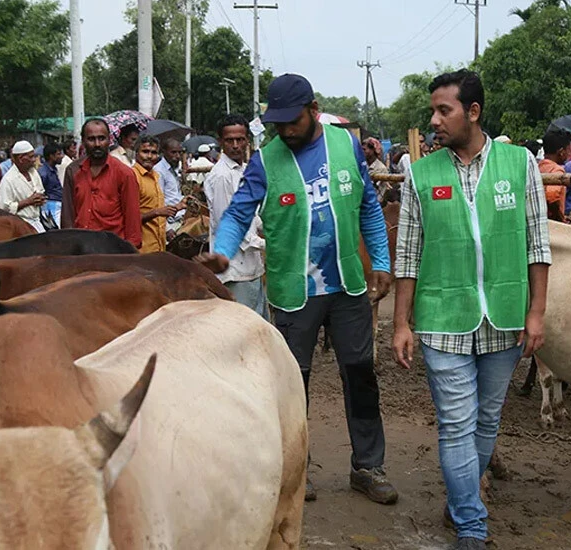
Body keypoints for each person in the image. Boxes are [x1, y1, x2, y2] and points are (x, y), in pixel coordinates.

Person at [196, 74, 396, 506]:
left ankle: (367, 466)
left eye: (292, 122)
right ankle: (294, 470)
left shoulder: (346, 146)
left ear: (313, 108)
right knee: (291, 383)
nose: (285, 131)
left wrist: (380, 261)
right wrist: (224, 251)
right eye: (277, 124)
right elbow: (236, 214)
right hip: (293, 291)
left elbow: (368, 210)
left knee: (360, 376)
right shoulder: (265, 161)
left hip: (347, 286)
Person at [392, 70, 550, 550]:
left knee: (486, 422)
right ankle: (471, 526)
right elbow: (408, 255)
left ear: (473, 112)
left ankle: (462, 496)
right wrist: (401, 322)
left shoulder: (519, 164)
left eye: (445, 110)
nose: (434, 120)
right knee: (457, 424)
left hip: (504, 316)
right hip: (443, 320)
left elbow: (537, 244)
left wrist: (536, 312)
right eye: (433, 111)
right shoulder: (420, 173)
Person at [203, 114, 267, 319]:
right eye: (230, 140)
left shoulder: (244, 171)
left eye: (240, 139)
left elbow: (252, 216)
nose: (236, 145)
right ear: (221, 142)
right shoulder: (222, 176)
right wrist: (268, 244)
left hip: (250, 267)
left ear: (247, 139)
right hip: (235, 270)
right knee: (245, 328)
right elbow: (229, 225)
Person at [61, 118, 142, 247]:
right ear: (83, 141)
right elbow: (67, 216)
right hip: (81, 249)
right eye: (91, 139)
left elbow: (132, 220)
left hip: (112, 251)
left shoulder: (124, 173)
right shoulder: (73, 170)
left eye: (101, 138)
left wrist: (129, 254)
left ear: (109, 140)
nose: (97, 144)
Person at [133, 135, 183, 253]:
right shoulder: (133, 177)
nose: (149, 156)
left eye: (154, 153)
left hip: (158, 245)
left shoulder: (155, 176)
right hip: (142, 249)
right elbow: (129, 219)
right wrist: (157, 212)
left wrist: (179, 206)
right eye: (145, 152)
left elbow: (159, 209)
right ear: (136, 153)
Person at [0, 140, 47, 232]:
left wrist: (40, 199)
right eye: (31, 157)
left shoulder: (34, 173)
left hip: (37, 222)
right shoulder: (8, 180)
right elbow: (3, 209)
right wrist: (28, 201)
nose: (34, 160)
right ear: (21, 158)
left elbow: (41, 192)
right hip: (19, 227)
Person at [153, 138, 187, 234]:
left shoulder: (174, 169)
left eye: (179, 153)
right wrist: (167, 228)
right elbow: (158, 202)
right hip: (170, 223)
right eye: (173, 152)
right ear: (163, 152)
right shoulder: (158, 171)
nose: (177, 156)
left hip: (181, 218)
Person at [538, 129, 571, 222]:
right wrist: (560, 218)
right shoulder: (557, 170)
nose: (569, 153)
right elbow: (552, 196)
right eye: (568, 150)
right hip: (553, 222)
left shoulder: (538, 167)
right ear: (561, 151)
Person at [38, 142, 64, 228]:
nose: (62, 156)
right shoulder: (43, 173)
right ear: (51, 156)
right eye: (58, 154)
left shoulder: (53, 169)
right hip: (51, 208)